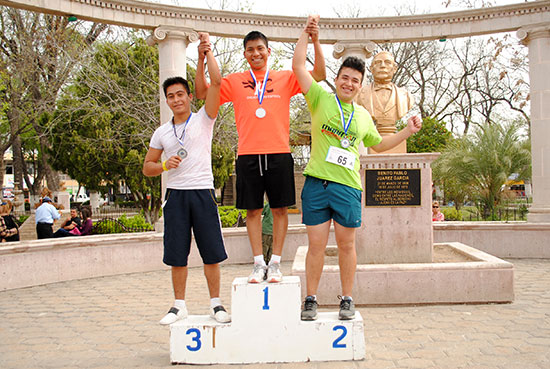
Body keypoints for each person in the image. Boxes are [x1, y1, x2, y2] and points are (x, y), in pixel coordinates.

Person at [292, 16, 422, 321]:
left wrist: (407, 132)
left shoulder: (362, 116)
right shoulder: (320, 98)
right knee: (316, 247)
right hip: (316, 185)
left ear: (360, 85)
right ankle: (310, 299)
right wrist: (307, 34)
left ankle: (347, 299)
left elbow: (377, 146)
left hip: (347, 187)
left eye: (355, 80)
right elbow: (299, 66)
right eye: (344, 78)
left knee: (347, 246)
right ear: (337, 79)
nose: (349, 83)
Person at [195, 19, 326, 284]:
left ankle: (275, 262)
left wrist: (314, 39)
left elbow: (320, 74)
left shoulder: (286, 78)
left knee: (280, 210)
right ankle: (258, 263)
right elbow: (201, 92)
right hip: (247, 155)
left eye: (260, 49)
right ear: (245, 54)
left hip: (279, 153)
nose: (256, 53)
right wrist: (202, 58)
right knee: (252, 211)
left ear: (269, 52)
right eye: (250, 49)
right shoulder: (234, 81)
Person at [142, 33, 230, 325]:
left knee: (211, 253)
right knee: (177, 254)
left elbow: (216, 83)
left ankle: (216, 304)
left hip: (202, 192)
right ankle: (179, 305)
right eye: (171, 96)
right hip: (176, 196)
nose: (176, 99)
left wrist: (206, 54)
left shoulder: (204, 119)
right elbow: (148, 167)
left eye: (181, 94)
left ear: (189, 96)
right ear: (166, 101)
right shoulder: (162, 132)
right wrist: (165, 164)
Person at [355, 51, 414, 154]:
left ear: (394, 68)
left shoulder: (406, 97)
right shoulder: (360, 96)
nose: (382, 66)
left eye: (387, 62)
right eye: (378, 62)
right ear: (371, 69)